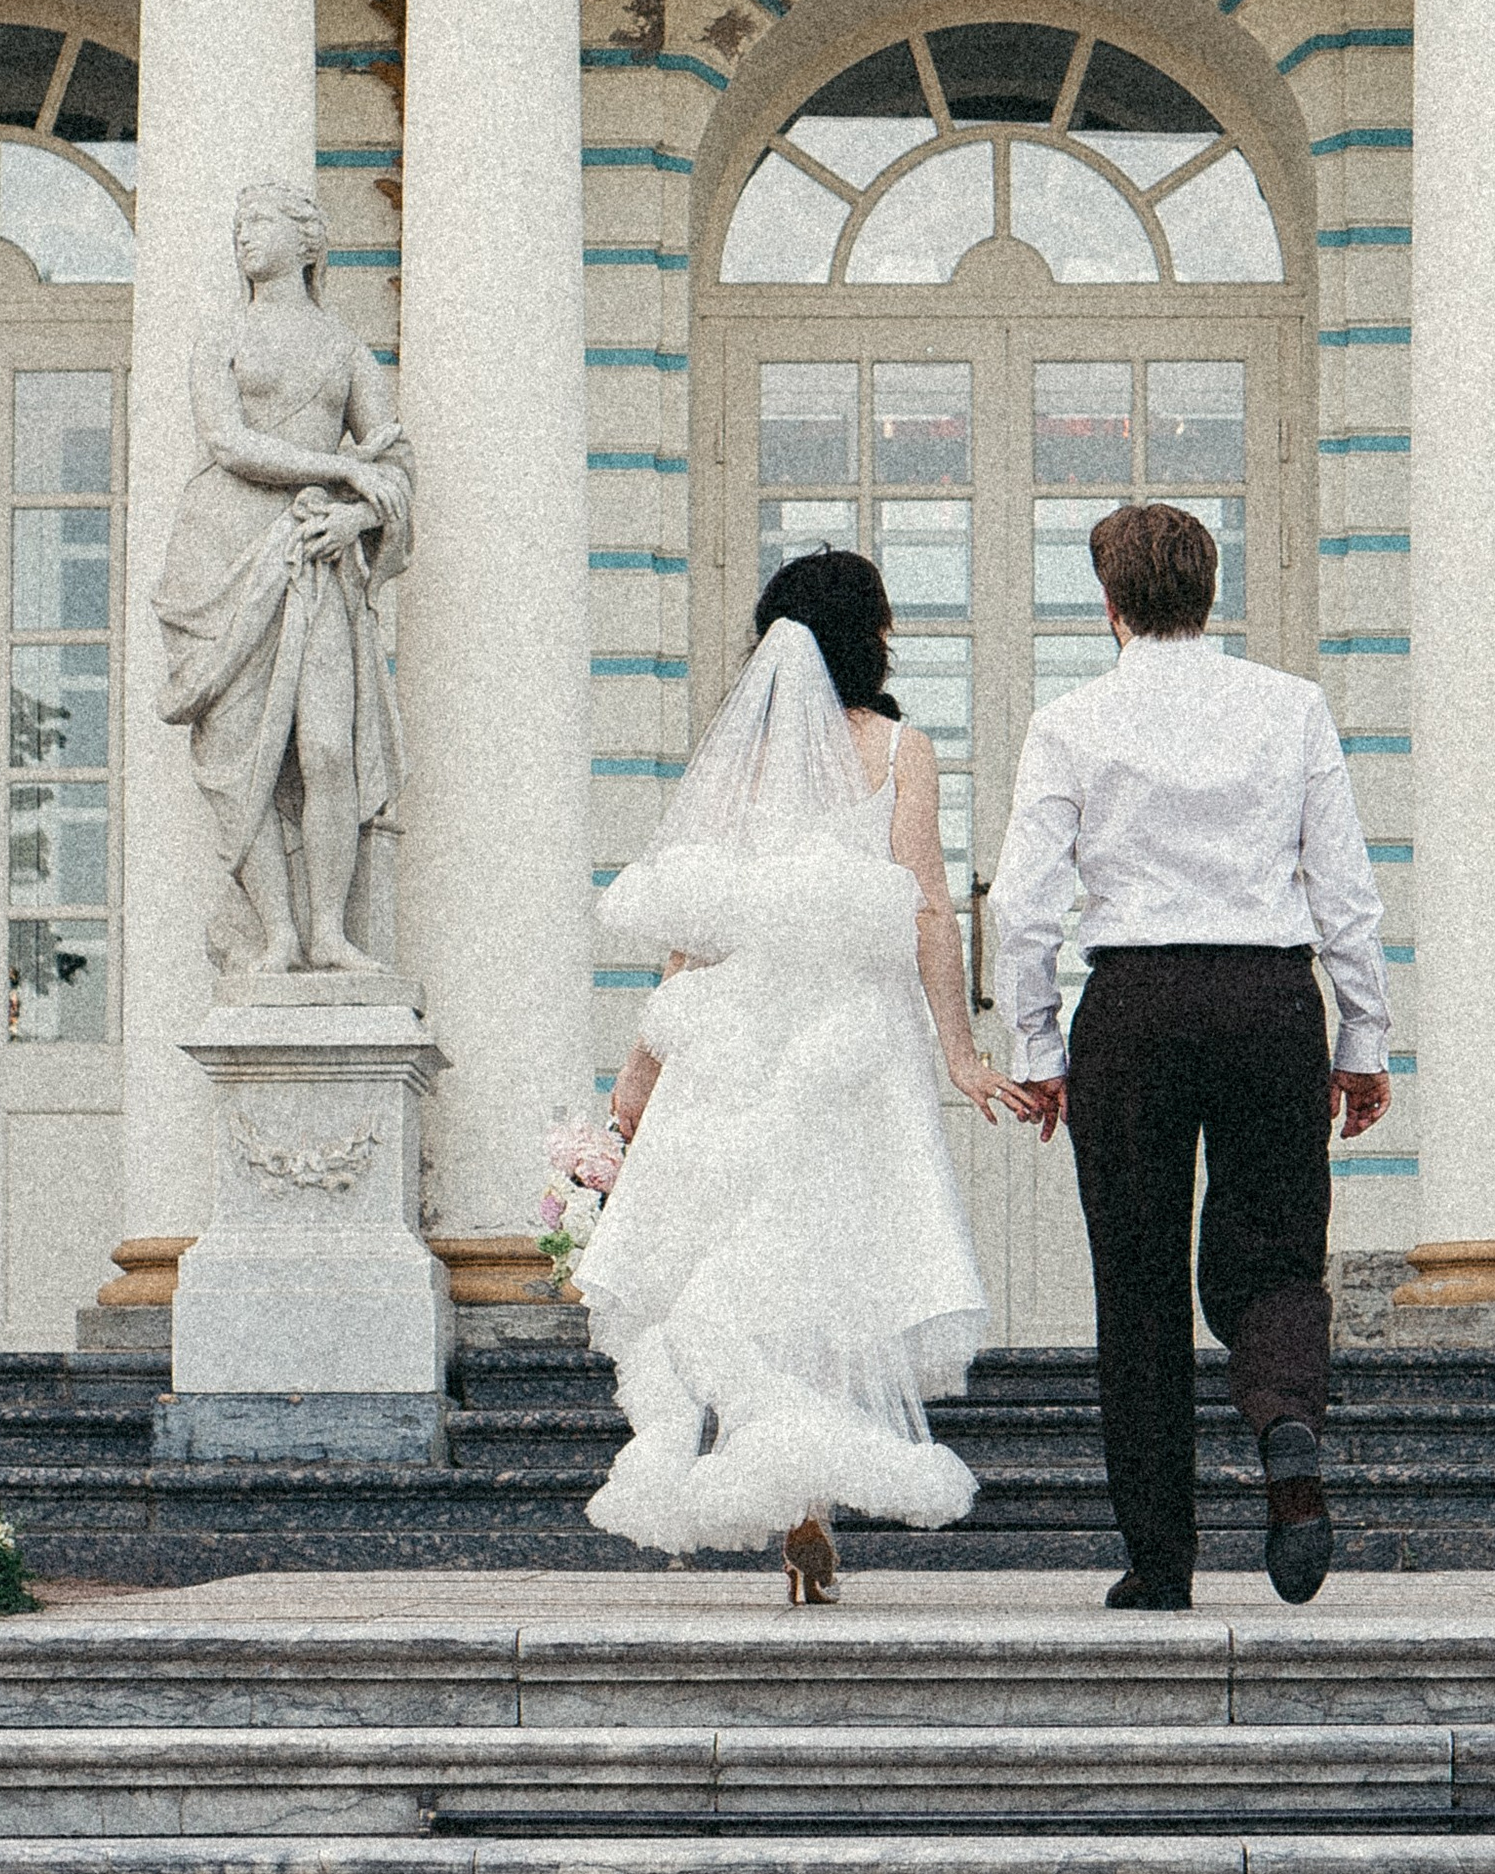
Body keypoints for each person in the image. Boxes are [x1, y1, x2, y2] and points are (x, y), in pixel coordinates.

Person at [584, 547, 1022, 1601]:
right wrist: (958, 1052)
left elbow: (693, 939)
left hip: (732, 1044)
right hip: (847, 1048)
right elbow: (925, 907)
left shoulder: (738, 769)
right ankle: (810, 1503)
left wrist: (639, 1072)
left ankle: (790, 1495)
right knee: (831, 1265)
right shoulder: (897, 750)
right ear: (867, 635)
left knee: (735, 1268)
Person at [987, 504, 1393, 1613]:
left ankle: (1160, 1561)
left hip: (1134, 1006)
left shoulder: (1071, 721)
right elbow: (1344, 891)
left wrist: (1036, 1045)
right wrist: (1360, 1038)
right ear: (1212, 595)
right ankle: (1286, 1430)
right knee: (1274, 1256)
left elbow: (1023, 909)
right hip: (1268, 999)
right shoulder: (1292, 709)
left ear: (1108, 605)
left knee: (1139, 1284)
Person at [152, 182, 412, 980]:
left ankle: (329, 932)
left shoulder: (343, 348)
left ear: (309, 243)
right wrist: (342, 471)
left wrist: (356, 520)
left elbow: (396, 462)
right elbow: (228, 443)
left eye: (258, 223)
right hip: (222, 552)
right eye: (237, 226)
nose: (243, 237)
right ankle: (278, 937)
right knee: (241, 760)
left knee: (329, 748)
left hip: (315, 555)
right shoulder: (220, 336)